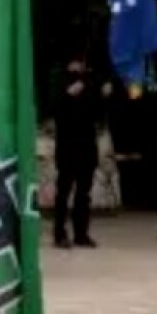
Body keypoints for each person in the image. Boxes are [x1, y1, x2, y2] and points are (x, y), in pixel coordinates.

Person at [51, 57, 101, 250]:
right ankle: (59, 233)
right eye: (75, 62)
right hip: (67, 146)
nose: (78, 66)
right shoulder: (59, 81)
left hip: (87, 146)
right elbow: (54, 109)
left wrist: (101, 95)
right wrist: (68, 95)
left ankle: (81, 233)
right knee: (63, 192)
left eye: (81, 63)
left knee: (84, 193)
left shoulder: (89, 83)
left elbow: (97, 114)